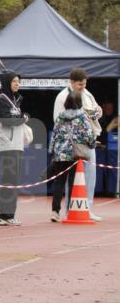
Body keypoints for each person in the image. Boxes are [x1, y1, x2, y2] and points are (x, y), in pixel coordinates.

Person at [53, 69, 103, 220]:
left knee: (90, 175)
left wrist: (95, 113)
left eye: (85, 83)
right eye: (80, 84)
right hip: (70, 145)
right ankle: (70, 209)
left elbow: (97, 110)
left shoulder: (87, 94)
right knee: (70, 178)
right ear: (72, 82)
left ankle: (87, 207)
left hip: (89, 140)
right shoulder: (62, 97)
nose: (83, 86)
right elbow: (58, 120)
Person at [49, 93, 97, 222]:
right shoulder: (82, 117)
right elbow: (88, 135)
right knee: (72, 184)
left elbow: (54, 135)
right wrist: (93, 144)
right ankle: (70, 210)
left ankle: (55, 211)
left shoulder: (60, 116)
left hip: (60, 154)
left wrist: (52, 151)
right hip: (75, 154)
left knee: (58, 183)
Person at [0, 71, 29, 226]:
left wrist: (22, 117)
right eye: (14, 81)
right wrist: (22, 118)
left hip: (17, 144)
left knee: (14, 180)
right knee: (9, 179)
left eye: (18, 81)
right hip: (7, 145)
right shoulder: (1, 100)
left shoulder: (16, 100)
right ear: (7, 82)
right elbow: (7, 120)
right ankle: (5, 215)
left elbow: (17, 118)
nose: (17, 84)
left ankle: (10, 214)